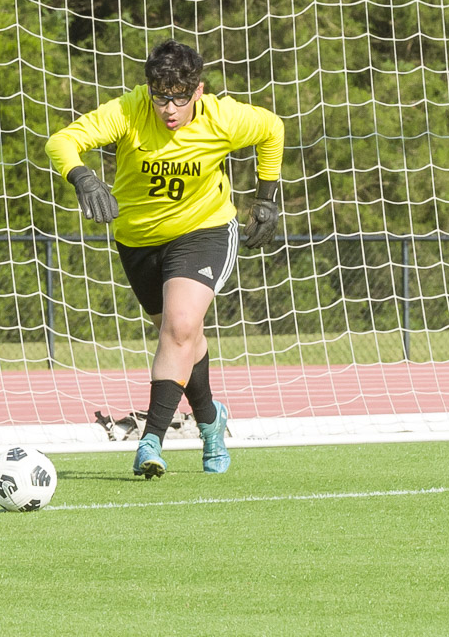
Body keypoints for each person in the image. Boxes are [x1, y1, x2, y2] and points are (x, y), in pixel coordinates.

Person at [45, 39, 284, 478]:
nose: (169, 108)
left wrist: (266, 198)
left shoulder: (223, 116)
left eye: (180, 97)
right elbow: (62, 141)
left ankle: (150, 441)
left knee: (180, 327)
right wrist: (82, 177)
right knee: (182, 339)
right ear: (148, 89)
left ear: (198, 90)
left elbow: (273, 129)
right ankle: (211, 421)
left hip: (204, 230)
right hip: (138, 240)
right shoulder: (128, 110)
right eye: (160, 97)